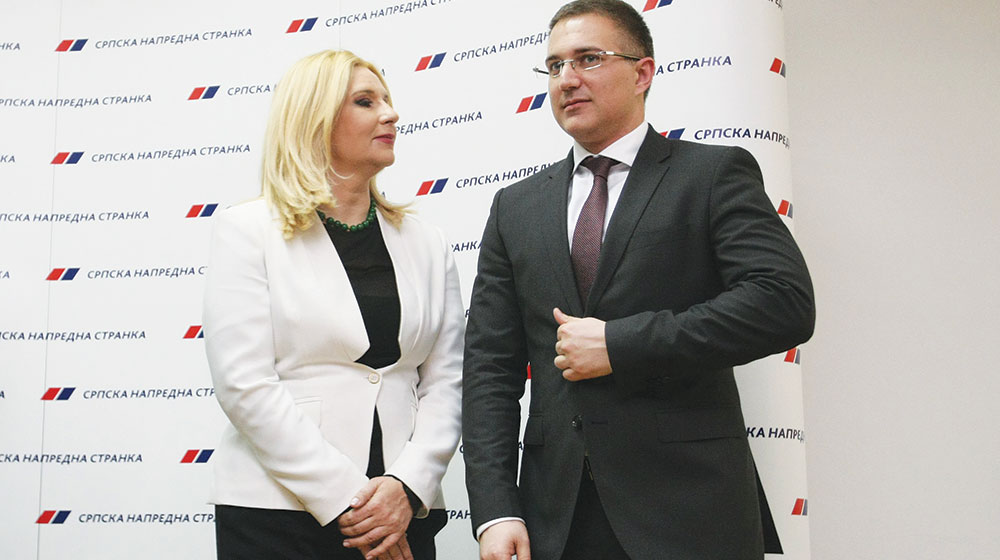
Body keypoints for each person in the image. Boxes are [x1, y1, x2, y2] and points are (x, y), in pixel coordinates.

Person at [461, 1, 816, 559]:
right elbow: (489, 367)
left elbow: (783, 302)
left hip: (691, 512)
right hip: (557, 522)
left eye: (588, 59)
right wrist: (495, 508)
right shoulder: (515, 206)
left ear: (642, 72)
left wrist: (620, 344)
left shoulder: (712, 174)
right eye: (554, 65)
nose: (567, 79)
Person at [203, 50, 464, 560]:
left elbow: (447, 382)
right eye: (366, 102)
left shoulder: (428, 242)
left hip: (402, 509)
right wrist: (349, 497)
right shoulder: (246, 231)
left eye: (388, 100)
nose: (391, 114)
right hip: (277, 513)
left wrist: (407, 486)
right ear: (314, 119)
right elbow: (245, 385)